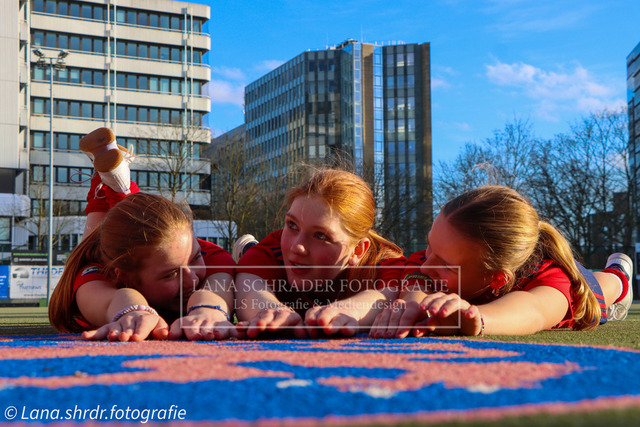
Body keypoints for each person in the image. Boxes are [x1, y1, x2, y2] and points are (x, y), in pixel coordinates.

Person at [370, 185, 634, 338]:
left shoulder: (552, 283)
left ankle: (620, 270)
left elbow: (533, 311)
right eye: (430, 245)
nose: (426, 265)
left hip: (574, 282)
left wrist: (475, 318)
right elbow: (418, 282)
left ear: (496, 278)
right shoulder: (436, 257)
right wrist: (416, 307)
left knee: (601, 286)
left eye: (447, 265)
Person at [49, 128, 237, 342]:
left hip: (182, 248)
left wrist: (209, 309)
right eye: (171, 274)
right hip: (135, 255)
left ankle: (116, 183)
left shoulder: (211, 257)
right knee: (102, 230)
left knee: (113, 225)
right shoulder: (93, 275)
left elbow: (215, 287)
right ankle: (117, 184)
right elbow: (116, 298)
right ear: (123, 277)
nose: (192, 279)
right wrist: (133, 312)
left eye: (195, 258)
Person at [234, 169, 405, 339]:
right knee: (249, 256)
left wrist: (348, 310)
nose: (297, 247)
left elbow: (387, 296)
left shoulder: (384, 260)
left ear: (358, 250)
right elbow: (248, 285)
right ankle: (248, 246)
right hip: (263, 259)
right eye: (292, 224)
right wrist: (272, 311)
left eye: (320, 235)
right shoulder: (272, 250)